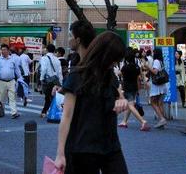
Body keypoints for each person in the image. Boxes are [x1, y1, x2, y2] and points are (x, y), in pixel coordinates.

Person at [53, 32, 129, 173]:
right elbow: (66, 117)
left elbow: (120, 95)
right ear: (104, 54)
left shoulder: (110, 75)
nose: (114, 63)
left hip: (110, 146)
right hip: (82, 148)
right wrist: (60, 154)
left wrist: (121, 101)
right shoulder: (77, 76)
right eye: (113, 59)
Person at [118, 49, 150, 131]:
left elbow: (120, 74)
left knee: (130, 105)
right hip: (135, 87)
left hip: (127, 88)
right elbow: (140, 77)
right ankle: (124, 121)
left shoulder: (125, 67)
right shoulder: (137, 66)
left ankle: (143, 121)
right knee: (130, 104)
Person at [0, 44, 21, 119]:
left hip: (11, 81)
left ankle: (14, 112)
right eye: (2, 50)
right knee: (1, 98)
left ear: (8, 51)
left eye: (4, 50)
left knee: (12, 97)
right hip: (1, 81)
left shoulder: (12, 59)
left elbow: (17, 70)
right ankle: (1, 111)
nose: (3, 51)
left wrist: (20, 78)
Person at [40, 43, 63, 119]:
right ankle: (52, 111)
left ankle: (44, 112)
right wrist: (61, 82)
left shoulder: (44, 58)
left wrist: (41, 78)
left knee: (47, 96)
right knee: (54, 97)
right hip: (56, 80)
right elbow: (60, 72)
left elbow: (43, 69)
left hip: (48, 80)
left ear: (46, 49)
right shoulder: (57, 59)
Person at [149, 48, 168, 128]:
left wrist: (148, 66)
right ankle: (162, 121)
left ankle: (162, 119)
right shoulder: (161, 61)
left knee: (153, 102)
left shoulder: (156, 61)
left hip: (157, 85)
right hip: (162, 84)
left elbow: (155, 72)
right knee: (160, 103)